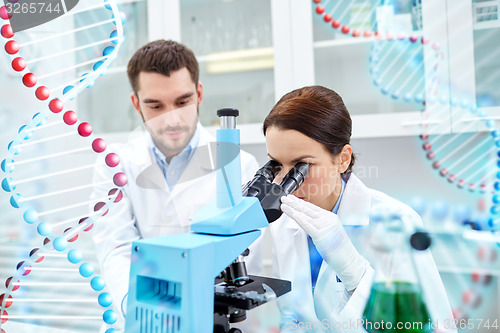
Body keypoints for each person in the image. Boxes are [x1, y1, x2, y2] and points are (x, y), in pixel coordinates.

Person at [90, 40, 259, 330]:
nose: (173, 119)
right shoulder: (114, 164)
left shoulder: (239, 165)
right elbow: (115, 247)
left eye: (182, 102)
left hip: (209, 317)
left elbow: (238, 252)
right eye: (156, 106)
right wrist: (140, 306)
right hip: (140, 317)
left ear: (199, 94)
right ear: (136, 104)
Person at [264, 85, 455, 332]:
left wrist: (356, 273)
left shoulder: (398, 222)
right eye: (276, 165)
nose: (287, 183)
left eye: (302, 166)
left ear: (342, 159)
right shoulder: (283, 224)